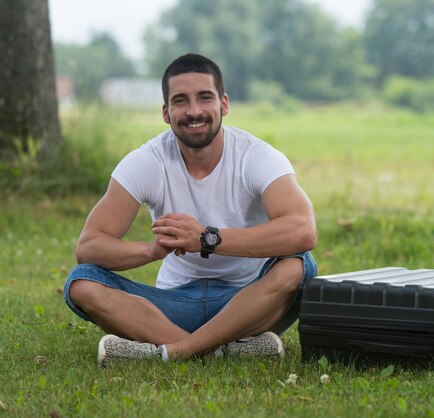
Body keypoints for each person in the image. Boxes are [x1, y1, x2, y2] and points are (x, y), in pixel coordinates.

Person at [63, 53, 318, 366]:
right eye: (181, 101)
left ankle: (175, 351)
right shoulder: (146, 161)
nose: (194, 111)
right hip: (173, 302)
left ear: (223, 104)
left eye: (204, 98)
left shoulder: (257, 156)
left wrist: (207, 239)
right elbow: (89, 247)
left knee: (299, 264)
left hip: (248, 300)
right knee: (81, 280)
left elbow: (302, 229)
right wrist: (151, 250)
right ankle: (222, 348)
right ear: (166, 112)